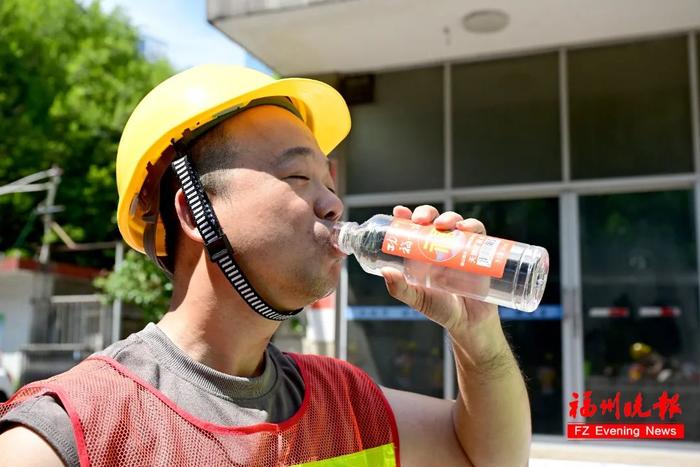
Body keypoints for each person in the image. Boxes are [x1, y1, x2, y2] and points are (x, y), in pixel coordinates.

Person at [0, 65, 531, 466]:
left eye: (330, 182)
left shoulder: (346, 401)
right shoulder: (74, 432)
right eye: (298, 178)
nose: (333, 205)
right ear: (193, 210)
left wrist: (477, 335)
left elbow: (487, 457)